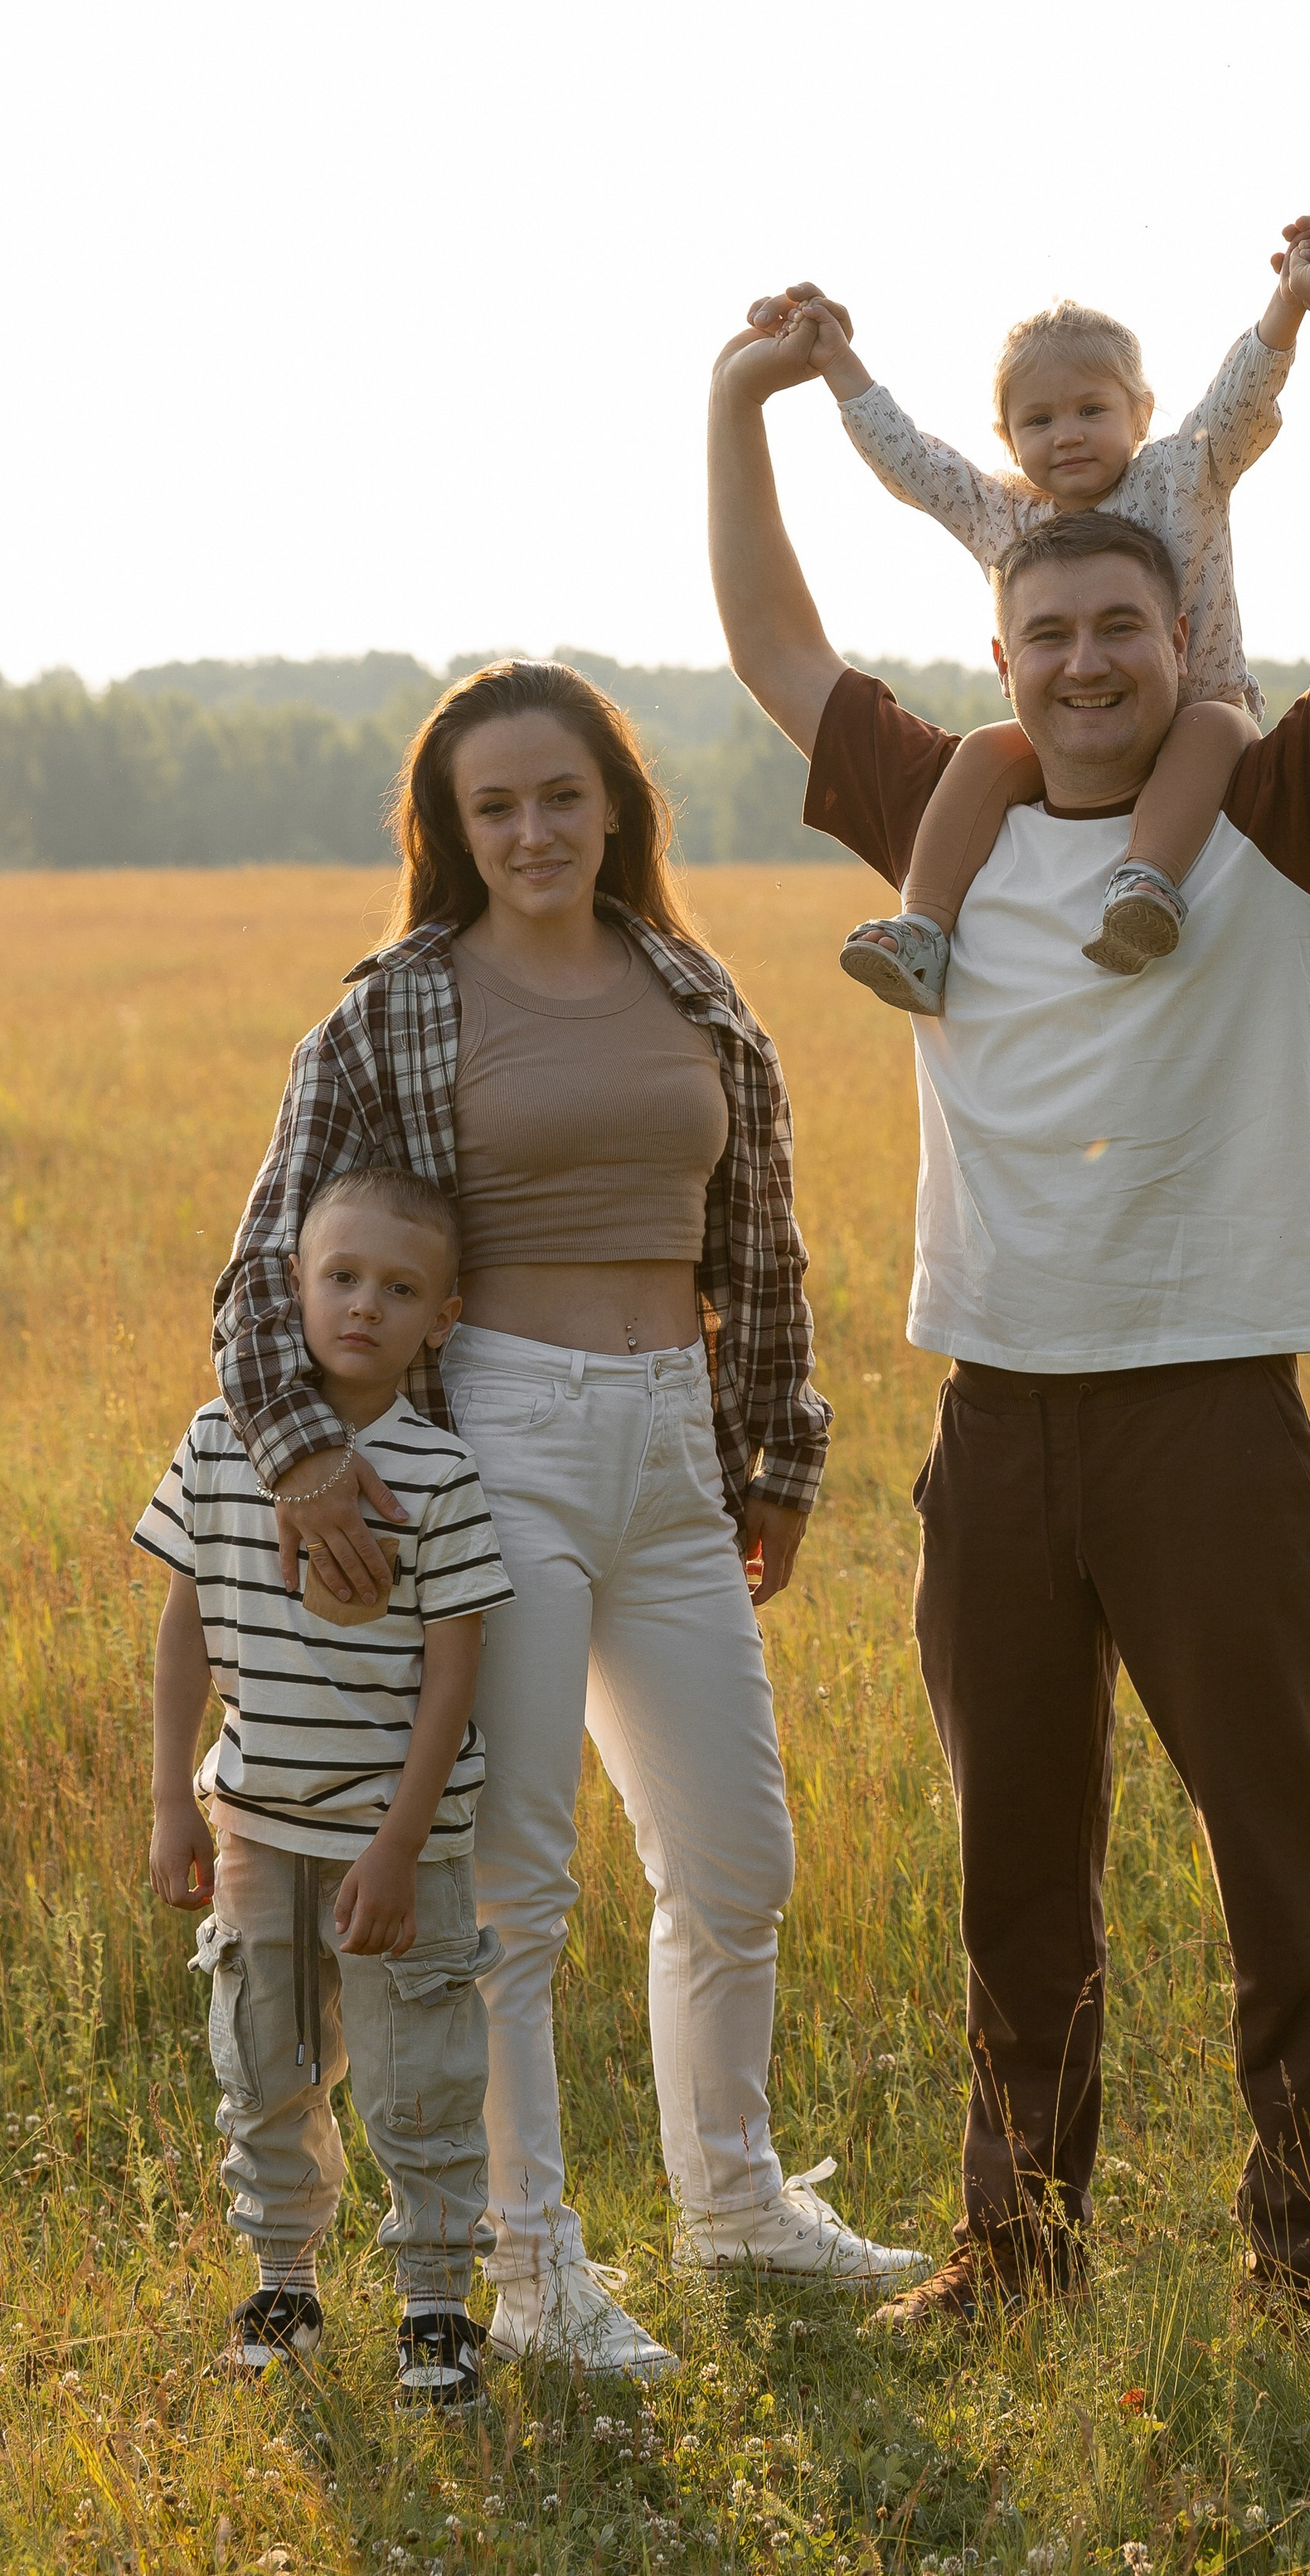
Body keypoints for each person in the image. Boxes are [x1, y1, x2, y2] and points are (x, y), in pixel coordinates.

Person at [708, 220, 1310, 2326]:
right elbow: (773, 647)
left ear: (1174, 628)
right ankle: (1014, 2254)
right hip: (994, 1425)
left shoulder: (1276, 823)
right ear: (1007, 645)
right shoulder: (937, 835)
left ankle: (1303, 2262)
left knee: (1284, 1864)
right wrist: (735, 407)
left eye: (1116, 626)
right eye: (1042, 630)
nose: (1078, 660)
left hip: (1209, 1414)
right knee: (1012, 1881)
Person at [211, 658, 921, 2380]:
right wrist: (310, 1464)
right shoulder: (393, 1010)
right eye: (492, 806)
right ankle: (527, 2274)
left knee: (736, 1861)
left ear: (615, 805)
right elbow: (263, 1267)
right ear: (452, 834)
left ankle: (734, 2200)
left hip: (675, 1456)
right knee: (514, 1891)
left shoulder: (687, 982)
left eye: (558, 796)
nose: (531, 830)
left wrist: (776, 1461)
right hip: (497, 1452)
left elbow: (761, 1244)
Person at [142, 1166, 511, 2407]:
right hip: (255, 1828)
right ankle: (285, 2277)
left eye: (399, 1289)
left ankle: (435, 2304)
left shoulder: (439, 1475)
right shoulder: (218, 1441)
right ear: (289, 1288)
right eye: (339, 1277)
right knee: (263, 2056)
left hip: (395, 1842)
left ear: (441, 1318)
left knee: (421, 2072)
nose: (363, 1306)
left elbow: (456, 1677)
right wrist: (168, 1802)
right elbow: (184, 1628)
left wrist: (403, 1846)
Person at [740, 259, 1308, 1010]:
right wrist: (837, 361)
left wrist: (1288, 302)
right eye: (1038, 420)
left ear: (1141, 415)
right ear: (1008, 438)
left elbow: (1241, 396)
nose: (1066, 435)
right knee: (984, 748)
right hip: (1070, 741)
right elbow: (914, 462)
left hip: (1197, 720)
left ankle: (1146, 886)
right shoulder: (1005, 516)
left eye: (1090, 410)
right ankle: (924, 929)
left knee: (1211, 723)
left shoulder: (1185, 473)